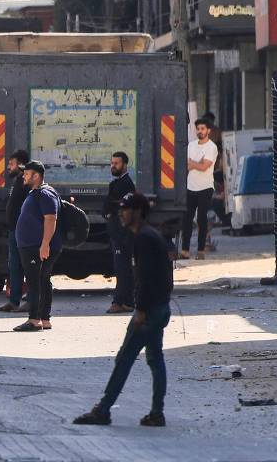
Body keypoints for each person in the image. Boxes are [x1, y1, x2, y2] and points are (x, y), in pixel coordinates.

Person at [74, 192, 173, 427]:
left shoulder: (144, 239)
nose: (121, 213)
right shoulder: (148, 235)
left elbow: (147, 279)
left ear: (138, 212)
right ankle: (157, 412)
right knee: (155, 358)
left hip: (149, 312)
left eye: (126, 209)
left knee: (125, 358)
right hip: (159, 309)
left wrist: (140, 310)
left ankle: (103, 409)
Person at [12, 161, 64, 332]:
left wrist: (44, 244)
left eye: (27, 173)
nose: (23, 176)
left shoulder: (45, 194)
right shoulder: (36, 193)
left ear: (36, 176)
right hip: (33, 245)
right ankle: (44, 319)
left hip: (37, 246)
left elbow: (51, 218)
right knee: (41, 280)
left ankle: (34, 320)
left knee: (35, 282)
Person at [0, 150, 31, 313]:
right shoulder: (18, 181)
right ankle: (14, 301)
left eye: (12, 164)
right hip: (14, 231)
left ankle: (31, 300)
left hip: (25, 232)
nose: (8, 167)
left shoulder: (27, 182)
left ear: (21, 165)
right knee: (14, 266)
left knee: (28, 266)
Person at [104, 151, 136, 314]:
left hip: (122, 234)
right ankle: (127, 302)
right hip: (117, 232)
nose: (113, 166)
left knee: (122, 269)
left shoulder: (126, 184)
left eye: (116, 163)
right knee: (123, 268)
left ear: (124, 165)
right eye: (112, 163)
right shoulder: (116, 183)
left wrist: (111, 210)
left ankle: (120, 301)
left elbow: (119, 206)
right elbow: (109, 206)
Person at [182, 117, 218, 260]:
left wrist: (194, 164)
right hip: (191, 186)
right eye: (198, 129)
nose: (200, 131)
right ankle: (185, 250)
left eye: (203, 129)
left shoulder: (212, 147)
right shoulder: (191, 146)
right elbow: (187, 164)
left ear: (208, 130)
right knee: (187, 218)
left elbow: (204, 167)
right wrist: (196, 163)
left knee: (202, 218)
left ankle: (201, 250)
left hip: (205, 187)